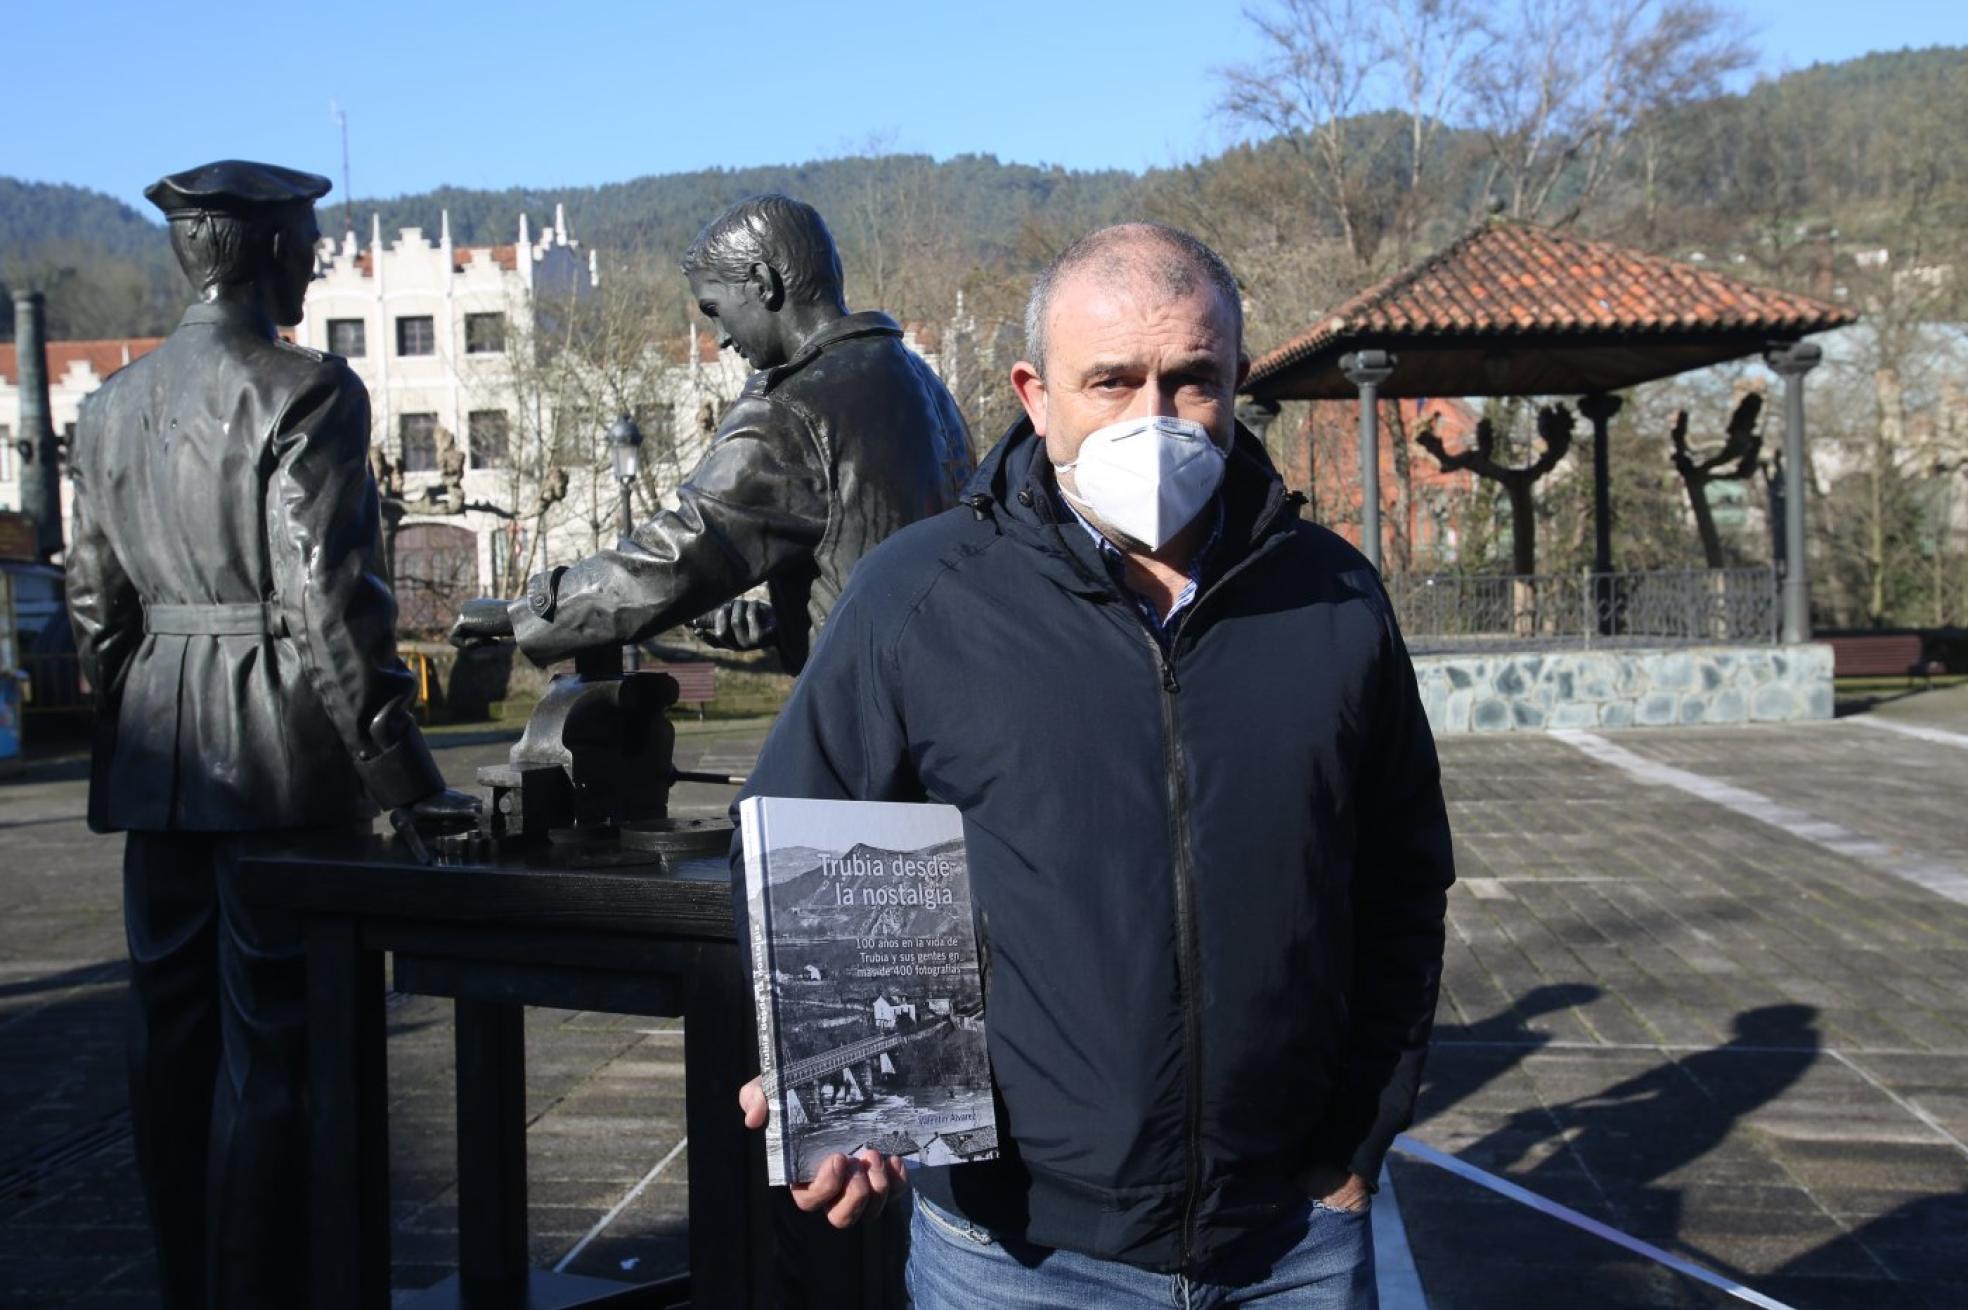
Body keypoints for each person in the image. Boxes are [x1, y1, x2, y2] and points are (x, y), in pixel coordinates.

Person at [733, 222, 1455, 1307]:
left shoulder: (1335, 598)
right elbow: (810, 836)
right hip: (1017, 1257)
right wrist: (844, 1094)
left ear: (1237, 381)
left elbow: (1401, 876)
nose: (1152, 418)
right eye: (1111, 380)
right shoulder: (920, 597)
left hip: (1290, 1243)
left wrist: (1360, 1134)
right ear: (1035, 391)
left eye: (1192, 381)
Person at [66, 159, 474, 1308]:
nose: (315, 259)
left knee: (170, 1039)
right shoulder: (308, 389)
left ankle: (192, 1282)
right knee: (280, 1046)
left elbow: (98, 608)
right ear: (261, 251)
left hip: (159, 765)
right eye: (305, 240)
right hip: (279, 768)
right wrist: (403, 777)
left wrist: (143, 716)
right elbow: (330, 602)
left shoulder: (108, 408)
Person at [450, 194, 973, 674]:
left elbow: (679, 552)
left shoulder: (792, 410)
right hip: (941, 700)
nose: (720, 338)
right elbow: (882, 567)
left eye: (715, 310)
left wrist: (528, 614)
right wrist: (787, 623)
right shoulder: (917, 381)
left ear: (762, 284)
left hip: (870, 726)